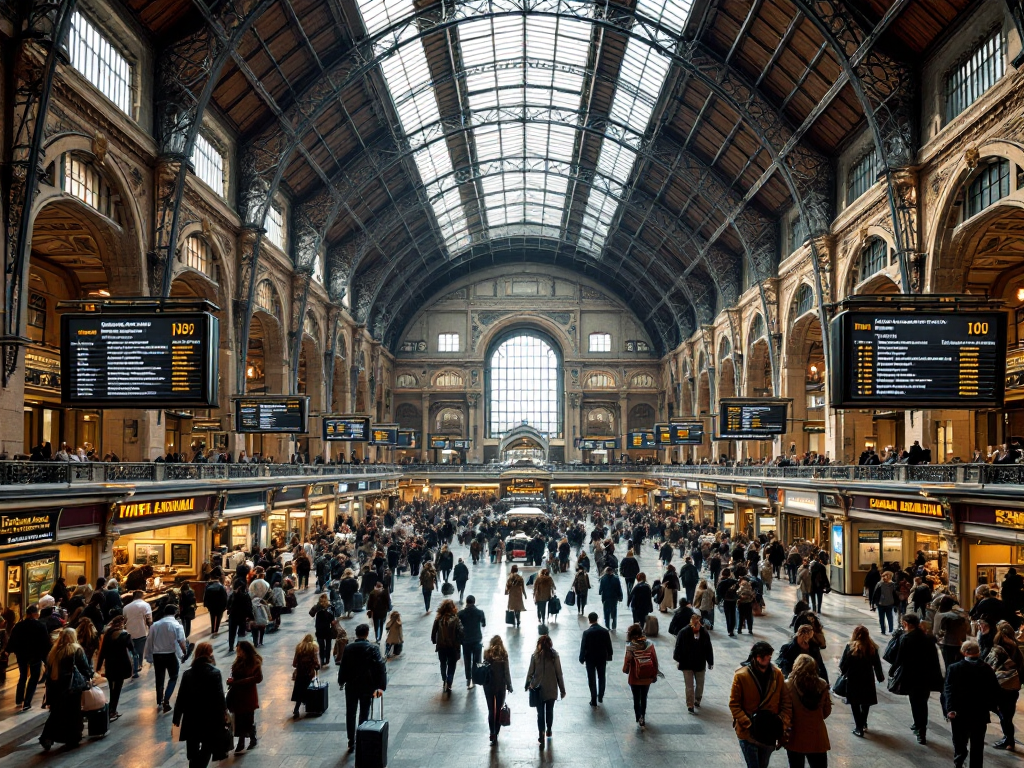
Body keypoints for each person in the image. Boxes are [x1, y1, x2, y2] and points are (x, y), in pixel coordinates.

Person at [729, 641, 792, 768]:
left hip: (769, 731)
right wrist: (747, 722)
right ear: (755, 656)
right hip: (748, 732)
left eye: (768, 656)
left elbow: (786, 702)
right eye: (762, 656)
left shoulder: (777, 675)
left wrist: (781, 722)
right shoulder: (741, 676)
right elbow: (734, 704)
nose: (765, 659)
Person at [946, 639, 1001, 768]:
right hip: (980, 712)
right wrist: (992, 706)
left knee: (959, 740)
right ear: (978, 652)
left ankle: (959, 761)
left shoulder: (954, 668)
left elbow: (949, 690)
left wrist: (950, 709)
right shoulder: (987, 669)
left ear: (964, 652)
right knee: (977, 744)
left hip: (960, 712)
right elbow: (994, 690)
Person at [890, 613, 943, 745]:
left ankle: (920, 729)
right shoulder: (928, 638)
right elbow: (935, 660)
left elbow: (899, 658)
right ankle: (919, 725)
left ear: (906, 624)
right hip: (926, 676)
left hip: (912, 676)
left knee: (915, 702)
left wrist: (892, 670)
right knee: (923, 702)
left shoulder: (906, 638)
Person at [173, 643, 228, 768]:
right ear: (209, 654)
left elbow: (181, 697)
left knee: (192, 748)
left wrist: (177, 717)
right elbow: (219, 697)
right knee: (207, 745)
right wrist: (224, 714)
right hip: (209, 717)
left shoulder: (187, 674)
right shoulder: (215, 672)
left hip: (191, 717)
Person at [38, 628, 93, 751]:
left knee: (56, 713)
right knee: (74, 713)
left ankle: (46, 737)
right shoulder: (76, 649)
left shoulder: (54, 651)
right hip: (72, 687)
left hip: (55, 687)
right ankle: (72, 739)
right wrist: (89, 677)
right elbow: (85, 668)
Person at [338, 623, 387, 752]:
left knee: (350, 712)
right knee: (364, 712)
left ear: (356, 634)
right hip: (367, 686)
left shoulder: (349, 648)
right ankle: (360, 737)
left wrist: (341, 680)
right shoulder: (373, 648)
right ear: (367, 633)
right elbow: (380, 667)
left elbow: (343, 666)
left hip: (351, 686)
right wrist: (381, 686)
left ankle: (351, 740)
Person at [785, 654, 832, 768]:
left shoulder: (788, 685)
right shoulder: (822, 684)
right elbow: (826, 711)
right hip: (818, 737)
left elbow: (786, 712)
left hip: (796, 736)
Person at [838, 625, 884, 737]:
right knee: (865, 703)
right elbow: (877, 665)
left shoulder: (850, 647)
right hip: (867, 678)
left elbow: (843, 665)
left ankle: (859, 727)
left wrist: (843, 672)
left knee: (855, 703)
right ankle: (863, 723)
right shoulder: (872, 648)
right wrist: (880, 677)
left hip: (853, 679)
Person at [984, 621, 1022, 750]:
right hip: (1013, 687)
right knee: (1007, 715)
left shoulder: (998, 650)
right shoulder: (1018, 649)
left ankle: (1009, 740)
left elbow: (988, 666)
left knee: (1001, 713)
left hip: (1000, 686)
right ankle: (1009, 740)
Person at [144, 603, 188, 712]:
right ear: (175, 613)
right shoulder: (176, 625)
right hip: (170, 655)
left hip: (157, 655)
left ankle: (159, 700)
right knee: (173, 677)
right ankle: (166, 699)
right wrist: (184, 653)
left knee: (159, 678)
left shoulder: (155, 625)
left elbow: (149, 641)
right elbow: (181, 642)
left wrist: (148, 655)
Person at [7, 604, 50, 710]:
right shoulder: (40, 626)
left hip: (21, 654)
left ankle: (18, 699)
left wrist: (8, 651)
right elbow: (45, 643)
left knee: (22, 676)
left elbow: (12, 640)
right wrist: (46, 657)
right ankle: (27, 702)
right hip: (35, 655)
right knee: (34, 677)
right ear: (34, 614)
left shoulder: (18, 626)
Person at [526, 634, 566, 746]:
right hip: (551, 688)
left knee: (540, 713)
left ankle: (541, 734)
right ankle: (549, 730)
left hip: (538, 690)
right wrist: (562, 690)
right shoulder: (555, 656)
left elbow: (530, 673)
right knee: (549, 710)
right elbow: (559, 674)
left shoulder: (535, 656)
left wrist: (528, 684)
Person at [226, 641, 263, 753]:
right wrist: (231, 680)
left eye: (239, 650)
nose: (238, 652)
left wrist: (237, 682)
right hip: (237, 695)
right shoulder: (238, 661)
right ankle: (241, 741)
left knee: (248, 718)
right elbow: (234, 675)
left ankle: (252, 738)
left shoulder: (254, 661)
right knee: (239, 718)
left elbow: (258, 678)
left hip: (248, 695)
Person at [674, 612, 714, 714]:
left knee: (700, 684)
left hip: (700, 663)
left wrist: (710, 662)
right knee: (689, 686)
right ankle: (690, 705)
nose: (698, 626)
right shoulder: (683, 632)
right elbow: (678, 648)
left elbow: (708, 648)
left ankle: (697, 700)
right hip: (686, 663)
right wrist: (679, 659)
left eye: (699, 624)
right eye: (696, 624)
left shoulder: (704, 633)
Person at [96, 614, 134, 721]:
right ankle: (112, 711)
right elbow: (131, 647)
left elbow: (103, 651)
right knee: (117, 689)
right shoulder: (125, 635)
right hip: (121, 665)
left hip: (110, 665)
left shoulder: (108, 634)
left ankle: (111, 710)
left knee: (112, 689)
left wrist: (98, 666)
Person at [623, 623, 659, 728]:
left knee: (636, 698)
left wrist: (625, 670)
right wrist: (654, 674)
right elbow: (654, 660)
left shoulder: (630, 647)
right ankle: (643, 716)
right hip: (646, 677)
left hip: (634, 677)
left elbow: (627, 662)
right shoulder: (649, 645)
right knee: (644, 697)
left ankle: (638, 716)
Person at [482, 635, 514, 744]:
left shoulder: (486, 653)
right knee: (499, 710)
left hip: (488, 686)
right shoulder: (504, 654)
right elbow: (506, 672)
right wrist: (509, 685)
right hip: (500, 686)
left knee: (491, 710)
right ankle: (496, 733)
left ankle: (492, 732)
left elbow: (484, 667)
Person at [579, 611, 613, 706]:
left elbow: (583, 646)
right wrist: (610, 654)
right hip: (601, 657)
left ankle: (593, 699)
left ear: (589, 620)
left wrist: (581, 657)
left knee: (591, 678)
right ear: (597, 619)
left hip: (590, 658)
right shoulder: (604, 631)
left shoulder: (587, 633)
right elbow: (608, 645)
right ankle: (600, 696)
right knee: (601, 676)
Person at [431, 598, 464, 693]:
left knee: (442, 663)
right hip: (453, 646)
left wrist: (434, 641)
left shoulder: (438, 619)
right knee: (452, 665)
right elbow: (461, 632)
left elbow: (434, 631)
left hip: (441, 646)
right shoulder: (456, 619)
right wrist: (461, 641)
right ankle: (449, 682)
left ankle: (444, 679)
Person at [458, 594, 486, 689]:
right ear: (474, 602)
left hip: (466, 640)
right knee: (477, 660)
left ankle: (468, 678)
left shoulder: (461, 613)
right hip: (477, 639)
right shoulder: (480, 612)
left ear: (466, 602)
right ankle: (475, 678)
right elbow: (484, 624)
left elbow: (457, 624)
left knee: (467, 660)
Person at [123, 589, 153, 677]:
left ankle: (134, 668)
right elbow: (149, 619)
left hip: (129, 633)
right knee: (139, 652)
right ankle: (137, 667)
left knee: (132, 651)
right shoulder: (145, 605)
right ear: (142, 596)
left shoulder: (126, 607)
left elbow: (124, 620)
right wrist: (151, 629)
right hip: (141, 632)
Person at [291, 634, 321, 718]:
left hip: (300, 673)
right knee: (308, 690)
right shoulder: (313, 648)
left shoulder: (299, 648)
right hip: (309, 673)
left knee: (299, 691)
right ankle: (311, 708)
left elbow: (294, 663)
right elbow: (316, 662)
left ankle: (296, 709)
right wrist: (317, 666)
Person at [227, 580, 253, 652]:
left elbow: (227, 605)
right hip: (242, 616)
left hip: (233, 616)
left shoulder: (232, 595)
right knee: (241, 632)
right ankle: (239, 646)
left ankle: (231, 646)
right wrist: (251, 617)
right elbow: (249, 607)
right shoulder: (246, 596)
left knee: (232, 632)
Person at [312, 593, 337, 665]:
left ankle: (322, 659)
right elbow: (333, 618)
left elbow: (311, 613)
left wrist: (317, 606)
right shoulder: (330, 607)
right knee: (328, 644)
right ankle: (327, 659)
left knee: (321, 645)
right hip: (327, 629)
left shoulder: (318, 607)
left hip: (319, 629)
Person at [599, 566, 623, 630]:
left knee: (606, 613)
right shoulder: (616, 578)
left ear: (606, 571)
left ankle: (607, 625)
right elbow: (619, 588)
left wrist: (600, 592)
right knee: (614, 612)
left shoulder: (603, 578)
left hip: (606, 597)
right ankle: (614, 625)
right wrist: (620, 596)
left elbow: (600, 589)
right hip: (614, 597)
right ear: (612, 571)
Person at [717, 568, 740, 637]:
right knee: (733, 615)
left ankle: (729, 630)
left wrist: (719, 599)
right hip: (733, 600)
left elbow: (719, 592)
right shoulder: (734, 581)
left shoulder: (721, 582)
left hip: (726, 600)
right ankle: (732, 629)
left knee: (727, 615)